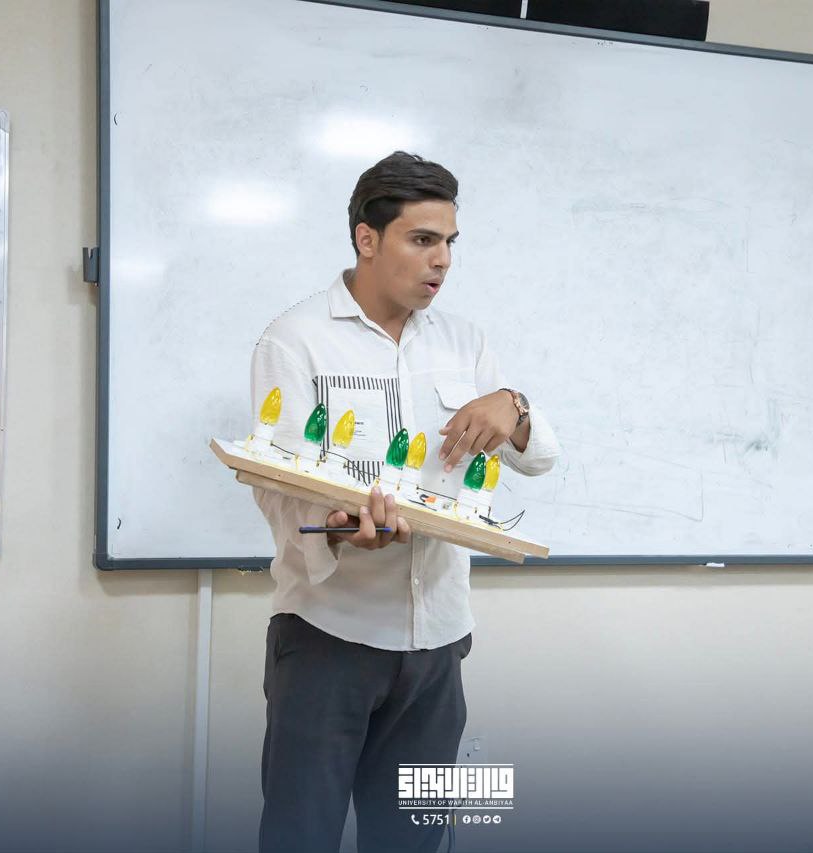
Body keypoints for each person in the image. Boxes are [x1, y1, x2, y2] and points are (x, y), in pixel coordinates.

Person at [250, 151, 559, 853]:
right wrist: (334, 530)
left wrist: (514, 405)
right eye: (422, 239)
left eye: (449, 242)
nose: (442, 259)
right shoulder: (295, 338)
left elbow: (539, 458)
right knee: (300, 837)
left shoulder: (465, 341)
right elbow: (276, 488)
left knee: (414, 842)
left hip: (439, 646)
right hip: (329, 637)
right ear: (367, 238)